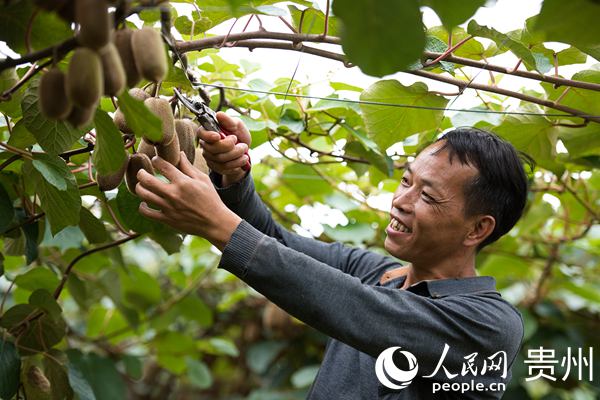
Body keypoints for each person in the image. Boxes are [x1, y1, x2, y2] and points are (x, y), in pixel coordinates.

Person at [134, 112, 530, 399]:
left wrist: (219, 225)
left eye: (427, 196)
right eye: (406, 181)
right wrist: (233, 179)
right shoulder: (380, 272)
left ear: (478, 228)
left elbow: (357, 307)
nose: (400, 201)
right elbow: (275, 240)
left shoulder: (489, 328)